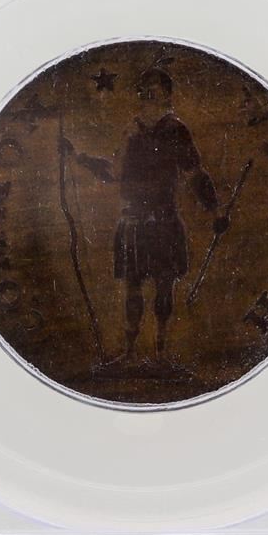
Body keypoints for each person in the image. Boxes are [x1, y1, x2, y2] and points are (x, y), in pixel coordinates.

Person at [66, 57, 227, 362]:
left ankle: (160, 354)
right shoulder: (132, 131)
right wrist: (80, 158)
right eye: (144, 92)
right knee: (132, 288)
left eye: (153, 91)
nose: (147, 97)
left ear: (166, 94)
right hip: (134, 222)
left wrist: (215, 210)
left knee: (164, 288)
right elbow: (114, 172)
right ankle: (129, 354)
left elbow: (195, 174)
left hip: (164, 221)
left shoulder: (176, 131)